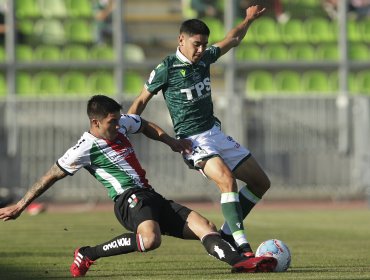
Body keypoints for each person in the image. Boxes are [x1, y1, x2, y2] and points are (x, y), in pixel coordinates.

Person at [0, 95, 276, 277]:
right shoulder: (83, 148)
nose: (118, 125)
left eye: (119, 119)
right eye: (112, 122)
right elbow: (51, 175)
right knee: (150, 240)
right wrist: (21, 205)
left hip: (149, 195)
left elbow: (143, 124)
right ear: (95, 122)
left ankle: (241, 264)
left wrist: (171, 142)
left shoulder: (121, 125)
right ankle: (87, 253)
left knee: (207, 228)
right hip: (127, 200)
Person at [128, 5, 270, 258]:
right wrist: (124, 131)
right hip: (192, 141)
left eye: (204, 44)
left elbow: (232, 39)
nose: (202, 49)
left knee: (261, 182)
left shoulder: (205, 57)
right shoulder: (166, 68)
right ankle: (243, 247)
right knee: (228, 181)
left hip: (214, 133)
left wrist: (248, 19)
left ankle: (227, 234)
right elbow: (140, 102)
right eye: (196, 44)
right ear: (181, 40)